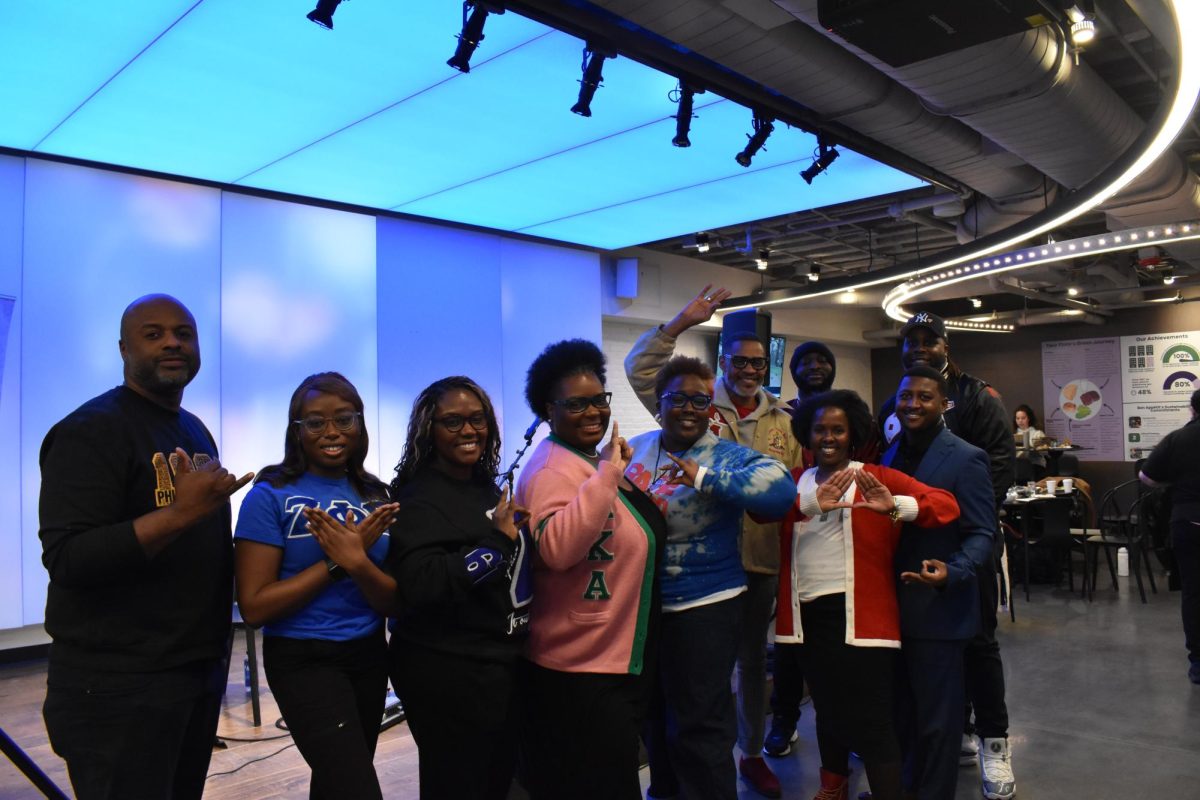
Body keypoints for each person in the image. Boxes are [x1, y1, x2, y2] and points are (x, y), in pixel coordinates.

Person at [39, 294, 254, 800]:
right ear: (123, 348)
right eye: (153, 334)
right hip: (118, 686)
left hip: (192, 671)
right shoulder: (89, 432)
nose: (173, 342)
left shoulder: (192, 428)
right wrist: (179, 514)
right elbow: (70, 559)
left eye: (183, 333)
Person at [626, 285, 802, 798]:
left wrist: (705, 478)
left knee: (721, 693)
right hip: (650, 603)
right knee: (660, 712)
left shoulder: (767, 426)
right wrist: (681, 320)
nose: (687, 406)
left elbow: (780, 489)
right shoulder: (634, 451)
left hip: (729, 582)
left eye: (696, 401)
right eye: (676, 398)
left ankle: (749, 756)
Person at [776, 389, 959, 800]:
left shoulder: (874, 476)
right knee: (827, 709)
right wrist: (809, 503)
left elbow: (945, 505)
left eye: (838, 429)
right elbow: (760, 511)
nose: (828, 437)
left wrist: (894, 506)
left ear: (853, 433)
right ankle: (833, 787)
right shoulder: (794, 482)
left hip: (861, 621)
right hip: (807, 619)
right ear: (806, 433)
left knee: (872, 719)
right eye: (820, 429)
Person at [235, 372, 399, 800]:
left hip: (367, 653)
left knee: (338, 782)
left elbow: (392, 601)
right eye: (315, 422)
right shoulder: (269, 495)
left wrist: (358, 562)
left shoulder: (376, 495)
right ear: (297, 432)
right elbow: (254, 607)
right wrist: (336, 564)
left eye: (344, 419)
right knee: (357, 788)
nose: (331, 432)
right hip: (303, 659)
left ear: (360, 424)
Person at [515, 339, 666, 800]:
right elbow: (559, 549)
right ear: (549, 409)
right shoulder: (550, 469)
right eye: (576, 404)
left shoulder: (590, 459)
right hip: (579, 668)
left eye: (599, 400)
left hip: (608, 656)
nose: (593, 412)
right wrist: (606, 476)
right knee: (603, 784)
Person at [876, 311, 1017, 800]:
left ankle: (993, 744)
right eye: (906, 397)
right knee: (909, 712)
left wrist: (956, 567)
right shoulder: (890, 450)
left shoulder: (973, 429)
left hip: (950, 588)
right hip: (899, 603)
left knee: (969, 669)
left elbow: (982, 522)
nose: (912, 403)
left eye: (928, 340)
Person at [386, 376, 532, 799]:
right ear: (428, 430)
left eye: (477, 419)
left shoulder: (482, 484)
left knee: (493, 782)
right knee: (457, 786)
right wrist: (498, 541)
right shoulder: (418, 499)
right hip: (445, 671)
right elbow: (421, 584)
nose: (469, 431)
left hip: (495, 667)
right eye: (453, 421)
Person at [1139, 388, 1200, 685]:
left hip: (1188, 521)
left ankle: (1198, 663)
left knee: (1193, 591)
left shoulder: (1177, 438)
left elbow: (1146, 477)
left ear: (1192, 409)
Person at [1013, 404, 1046, 474]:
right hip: (1017, 467)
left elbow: (1045, 451)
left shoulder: (1038, 433)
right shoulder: (1012, 435)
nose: (1020, 421)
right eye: (1017, 418)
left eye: (1023, 418)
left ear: (1028, 418)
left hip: (1035, 466)